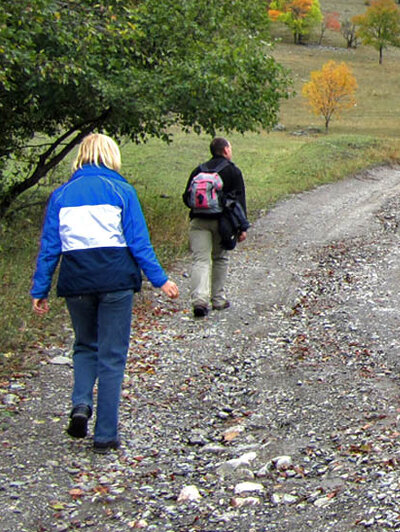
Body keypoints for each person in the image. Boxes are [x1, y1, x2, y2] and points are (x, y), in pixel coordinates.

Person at [30, 133, 179, 454]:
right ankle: (105, 435)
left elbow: (49, 248)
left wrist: (40, 288)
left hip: (76, 280)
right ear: (111, 156)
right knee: (112, 356)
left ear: (82, 156)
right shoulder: (122, 191)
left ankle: (81, 403)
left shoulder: (61, 195)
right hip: (115, 281)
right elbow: (139, 242)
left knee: (85, 346)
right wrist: (160, 279)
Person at [183, 137, 247, 318]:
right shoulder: (233, 171)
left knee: (200, 260)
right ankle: (218, 300)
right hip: (223, 223)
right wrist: (242, 227)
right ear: (226, 150)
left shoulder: (199, 170)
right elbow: (240, 201)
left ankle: (199, 301)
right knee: (220, 258)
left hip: (198, 221)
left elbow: (186, 198)